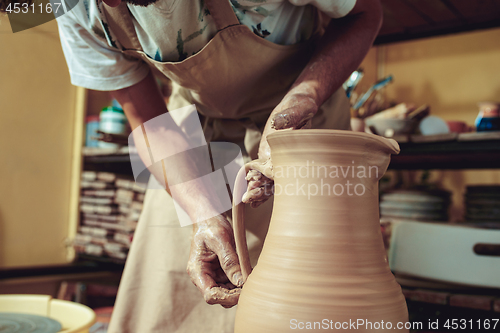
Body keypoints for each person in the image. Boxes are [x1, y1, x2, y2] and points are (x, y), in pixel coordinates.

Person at [1, 0, 382, 330]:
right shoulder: (66, 8)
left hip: (303, 118)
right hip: (191, 129)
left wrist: (303, 96)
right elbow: (149, 122)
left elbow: (366, 13)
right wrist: (201, 213)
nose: (112, 6)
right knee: (167, 298)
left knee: (313, 298)